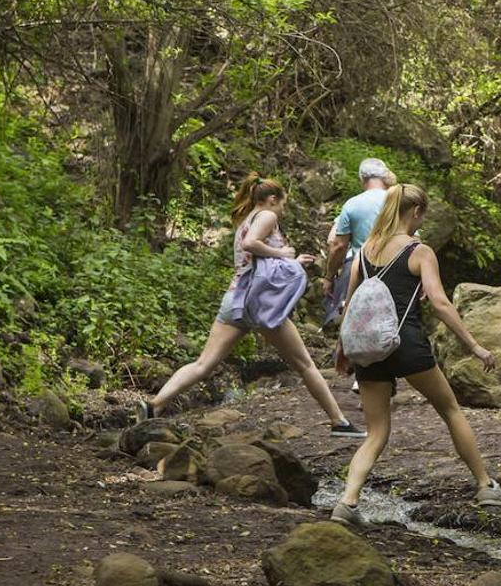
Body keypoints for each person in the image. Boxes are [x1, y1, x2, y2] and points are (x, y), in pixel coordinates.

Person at [331, 183, 501, 526]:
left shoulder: (366, 250)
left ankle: (346, 502)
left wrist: (342, 349)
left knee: (376, 433)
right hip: (406, 345)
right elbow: (440, 302)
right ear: (414, 212)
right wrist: (473, 346)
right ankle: (485, 485)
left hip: (370, 350)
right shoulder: (419, 251)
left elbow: (351, 304)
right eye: (421, 215)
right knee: (449, 409)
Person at [135, 173, 365, 438]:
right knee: (305, 365)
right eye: (282, 204)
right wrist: (284, 253)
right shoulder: (267, 216)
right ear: (271, 199)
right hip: (261, 303)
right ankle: (339, 422)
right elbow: (251, 244)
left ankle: (154, 406)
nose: (282, 210)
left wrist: (292, 262)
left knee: (203, 364)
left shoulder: (245, 220)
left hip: (236, 300)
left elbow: (255, 260)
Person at [321, 158, 395, 325]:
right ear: (384, 177)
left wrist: (329, 277)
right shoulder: (398, 202)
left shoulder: (352, 204)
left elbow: (338, 245)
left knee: (353, 318)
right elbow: (414, 240)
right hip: (396, 268)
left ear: (362, 179)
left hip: (361, 270)